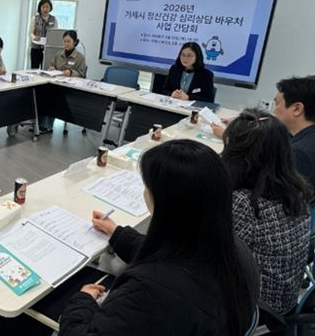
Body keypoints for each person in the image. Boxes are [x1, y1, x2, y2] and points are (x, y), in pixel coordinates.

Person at [57, 140, 257, 335]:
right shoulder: (229, 247)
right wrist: (116, 232)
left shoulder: (150, 292)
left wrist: (83, 300)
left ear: (166, 203)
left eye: (147, 187)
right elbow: (169, 253)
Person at [221, 109, 312, 315]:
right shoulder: (296, 191)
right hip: (285, 301)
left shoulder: (245, 203)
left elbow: (212, 256)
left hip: (255, 310)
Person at [274, 76, 315, 192]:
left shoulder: (298, 153)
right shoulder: (311, 137)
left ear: (297, 109)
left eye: (277, 104)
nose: (274, 110)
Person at [39, 30, 86, 133]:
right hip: (56, 83)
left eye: (69, 41)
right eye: (64, 41)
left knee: (52, 97)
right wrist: (51, 68)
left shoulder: (80, 58)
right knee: (41, 93)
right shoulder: (59, 54)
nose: (66, 44)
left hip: (69, 87)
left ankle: (46, 126)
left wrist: (71, 72)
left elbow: (82, 74)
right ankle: (38, 122)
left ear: (75, 42)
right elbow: (52, 65)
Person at [29, 0, 57, 69]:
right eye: (43, 7)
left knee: (46, 68)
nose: (45, 9)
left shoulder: (54, 19)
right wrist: (34, 38)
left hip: (48, 49)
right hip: (36, 48)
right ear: (40, 8)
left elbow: (55, 33)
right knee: (34, 69)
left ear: (50, 8)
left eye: (47, 7)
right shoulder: (35, 18)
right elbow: (31, 32)